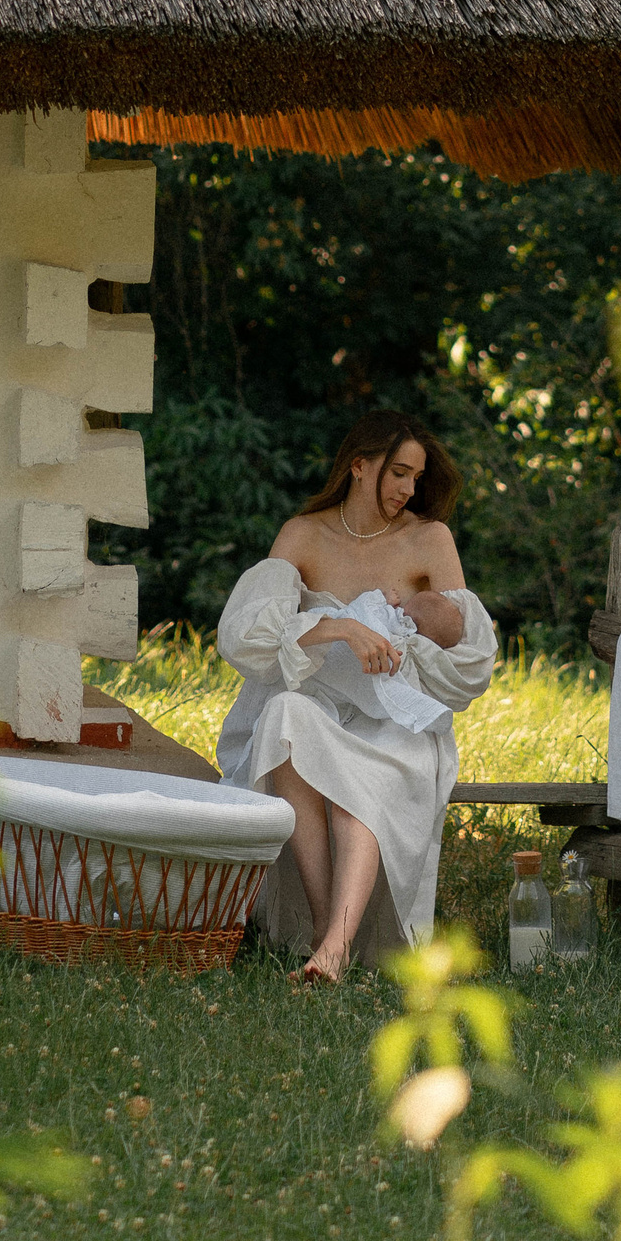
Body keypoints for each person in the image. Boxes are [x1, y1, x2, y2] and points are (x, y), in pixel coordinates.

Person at [216, 409, 497, 982]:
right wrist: (340, 627)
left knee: (363, 773)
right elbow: (244, 637)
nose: (408, 489)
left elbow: (468, 657)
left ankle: (333, 945)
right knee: (284, 715)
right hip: (320, 706)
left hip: (395, 722)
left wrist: (406, 638)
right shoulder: (304, 534)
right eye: (398, 473)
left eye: (416, 477)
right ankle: (329, 932)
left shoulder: (429, 539)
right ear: (359, 466)